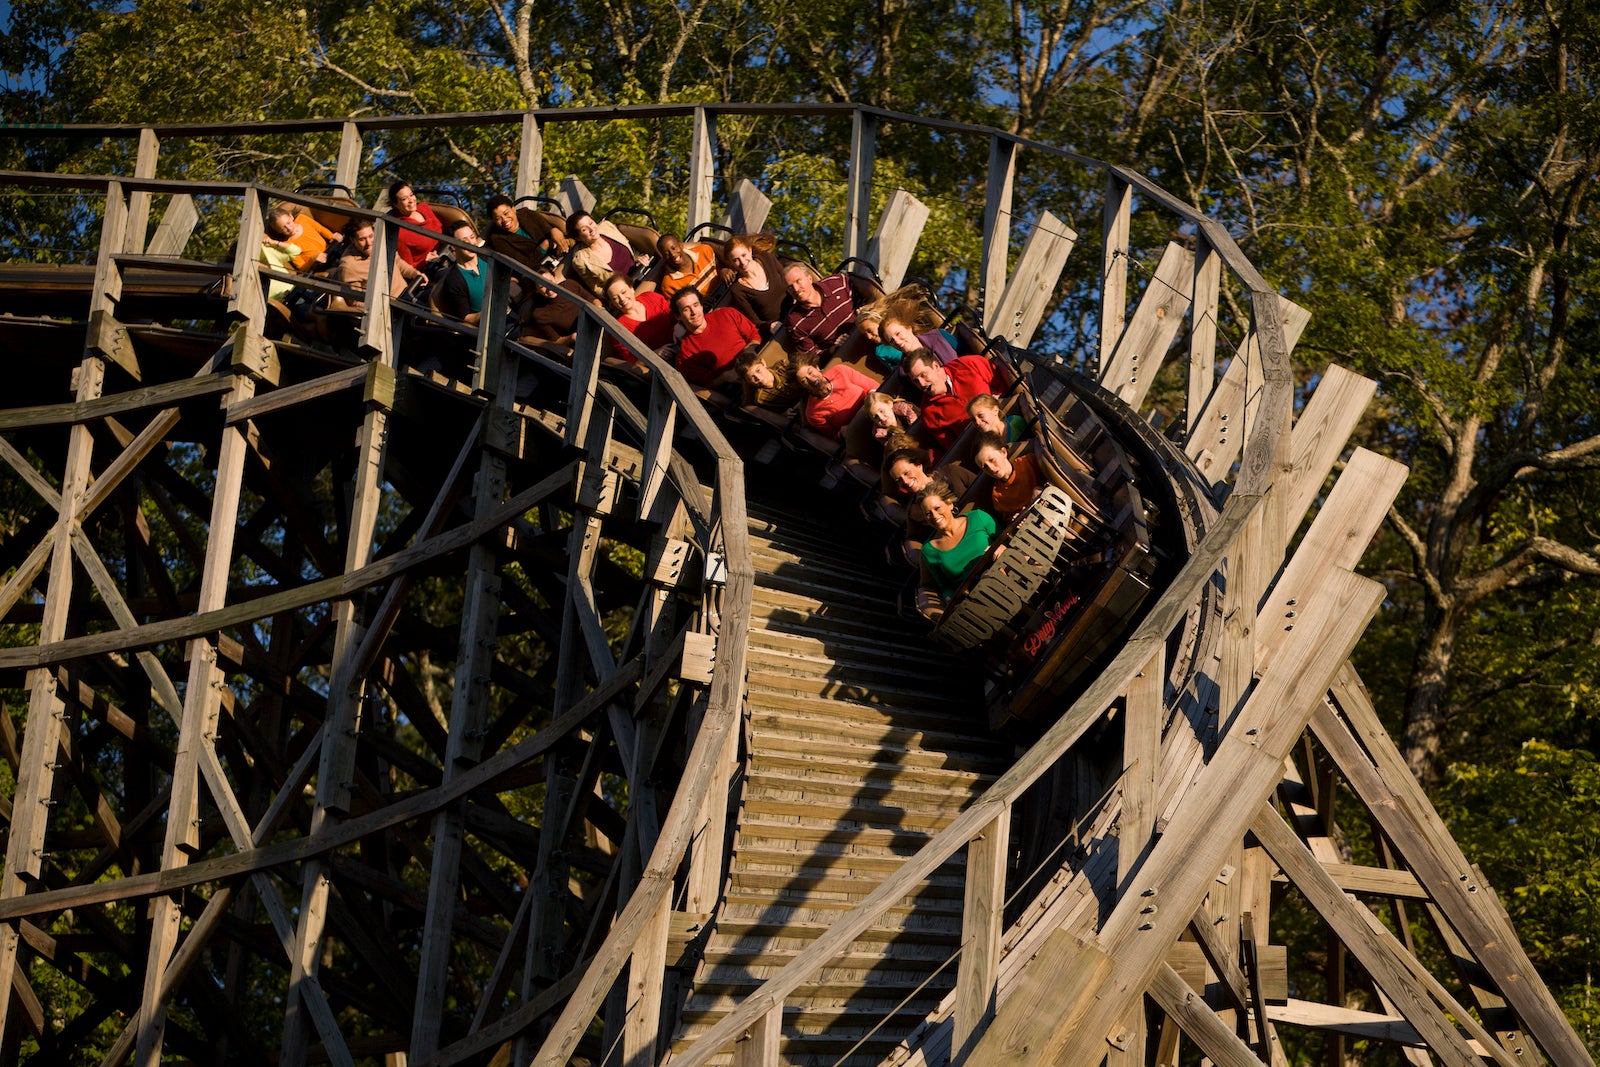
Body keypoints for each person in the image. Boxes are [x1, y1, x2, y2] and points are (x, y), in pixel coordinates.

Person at [917, 476, 998, 601]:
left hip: (1000, 572)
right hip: (973, 596)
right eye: (928, 513)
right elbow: (945, 586)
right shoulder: (929, 550)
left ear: (949, 503)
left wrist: (1001, 548)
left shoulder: (978, 517)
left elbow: (1007, 539)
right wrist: (949, 597)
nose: (934, 515)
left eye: (937, 508)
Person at [906, 349, 999, 454]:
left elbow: (1006, 385)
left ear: (936, 366)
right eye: (916, 381)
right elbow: (956, 448)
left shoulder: (968, 364)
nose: (922, 384)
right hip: (989, 446)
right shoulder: (929, 413)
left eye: (923, 375)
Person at [329, 217, 424, 309]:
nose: (369, 243)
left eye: (371, 236)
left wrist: (415, 274)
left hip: (408, 293)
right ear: (352, 240)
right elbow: (356, 302)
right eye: (362, 239)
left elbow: (398, 263)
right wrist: (383, 309)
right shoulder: (349, 266)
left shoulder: (381, 243)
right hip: (391, 310)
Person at [673, 288, 760, 388]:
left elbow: (755, 336)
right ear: (678, 316)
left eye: (696, 305)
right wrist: (725, 377)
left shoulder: (727, 313)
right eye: (686, 309)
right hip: (738, 387)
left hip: (759, 364)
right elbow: (708, 383)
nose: (693, 312)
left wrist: (749, 350)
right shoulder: (685, 355)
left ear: (701, 306)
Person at [783, 263, 859, 361]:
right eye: (790, 287)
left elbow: (865, 301)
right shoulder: (795, 321)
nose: (796, 289)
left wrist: (863, 316)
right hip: (843, 357)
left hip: (865, 334)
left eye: (798, 281)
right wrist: (833, 349)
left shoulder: (837, 283)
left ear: (809, 278)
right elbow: (811, 356)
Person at [484, 194, 570, 276]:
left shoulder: (527, 214)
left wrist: (554, 230)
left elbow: (547, 228)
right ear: (494, 222)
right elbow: (524, 265)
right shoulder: (498, 240)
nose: (505, 220)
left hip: (560, 255)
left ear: (513, 209)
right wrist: (545, 245)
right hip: (538, 272)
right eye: (498, 219)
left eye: (506, 213)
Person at [723, 233, 789, 333]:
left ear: (750, 250)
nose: (743, 262)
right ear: (731, 263)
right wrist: (769, 326)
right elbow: (753, 321)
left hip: (795, 311)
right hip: (778, 329)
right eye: (736, 260)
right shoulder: (737, 289)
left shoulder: (767, 259)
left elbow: (789, 281)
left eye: (744, 255)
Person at [796, 361, 880, 439]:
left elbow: (874, 387)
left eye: (810, 372)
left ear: (817, 367)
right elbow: (834, 436)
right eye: (804, 381)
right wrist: (842, 433)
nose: (812, 380)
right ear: (802, 387)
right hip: (861, 432)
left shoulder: (840, 371)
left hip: (877, 409)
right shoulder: (813, 413)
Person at [974, 433, 1045, 523]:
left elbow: (1053, 480)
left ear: (1003, 452)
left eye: (992, 460)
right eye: (984, 467)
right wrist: (1016, 520)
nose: (991, 468)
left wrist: (1039, 489)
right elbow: (1009, 522)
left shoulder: (1029, 462)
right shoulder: (998, 497)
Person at [567, 211, 639, 298]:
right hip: (625, 295)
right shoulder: (581, 260)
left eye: (591, 223)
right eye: (584, 229)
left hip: (640, 273)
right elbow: (598, 289)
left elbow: (628, 247)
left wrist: (637, 259)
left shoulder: (607, 227)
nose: (591, 229)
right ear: (578, 237)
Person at [602, 274, 674, 360]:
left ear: (632, 288)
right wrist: (654, 354)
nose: (622, 298)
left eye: (624, 292)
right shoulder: (619, 328)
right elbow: (631, 359)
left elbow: (674, 314)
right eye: (615, 298)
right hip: (661, 362)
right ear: (612, 303)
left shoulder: (651, 297)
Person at [434, 219, 488, 326]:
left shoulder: (487, 258)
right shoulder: (454, 279)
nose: (471, 243)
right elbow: (465, 318)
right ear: (453, 246)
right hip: (488, 326)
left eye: (472, 237)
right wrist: (486, 313)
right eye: (464, 241)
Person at [385, 180, 444, 271]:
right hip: (430, 269)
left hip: (446, 253)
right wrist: (426, 262)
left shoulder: (425, 208)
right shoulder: (401, 233)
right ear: (396, 204)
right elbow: (409, 266)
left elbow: (440, 229)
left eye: (411, 195)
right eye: (404, 199)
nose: (411, 200)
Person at [735, 346, 806, 410]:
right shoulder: (762, 399)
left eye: (758, 370)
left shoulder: (783, 366)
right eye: (752, 377)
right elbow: (778, 412)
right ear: (747, 381)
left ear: (763, 363)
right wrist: (786, 413)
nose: (758, 378)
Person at [882, 312, 958, 365]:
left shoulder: (939, 336)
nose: (897, 342)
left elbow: (966, 352)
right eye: (891, 340)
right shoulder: (904, 373)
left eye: (898, 333)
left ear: (908, 327)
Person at [656, 233, 718, 298]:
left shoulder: (704, 250)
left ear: (680, 245)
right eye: (666, 253)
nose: (673, 254)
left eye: (673, 248)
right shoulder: (669, 285)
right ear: (663, 258)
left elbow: (721, 266)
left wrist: (724, 270)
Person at [259, 208, 303, 301]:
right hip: (275, 299)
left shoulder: (269, 251)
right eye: (283, 227)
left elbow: (296, 251)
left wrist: (274, 243)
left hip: (291, 289)